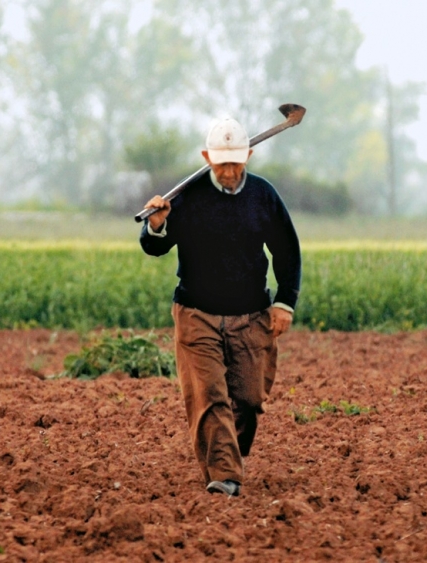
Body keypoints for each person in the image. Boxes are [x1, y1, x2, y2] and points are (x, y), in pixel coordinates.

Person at [139, 116, 302, 497]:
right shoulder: (187, 198)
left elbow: (287, 251)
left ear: (248, 155)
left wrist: (284, 302)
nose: (229, 172)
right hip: (197, 314)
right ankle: (225, 475)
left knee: (247, 399)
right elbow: (154, 246)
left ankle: (228, 455)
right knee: (210, 395)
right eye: (221, 163)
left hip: (251, 315)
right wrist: (157, 225)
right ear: (206, 157)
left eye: (236, 162)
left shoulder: (263, 197)